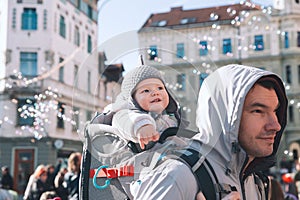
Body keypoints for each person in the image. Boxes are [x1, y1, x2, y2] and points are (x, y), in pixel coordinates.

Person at [130, 64, 288, 199]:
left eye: (275, 111)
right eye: (258, 111)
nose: (275, 125)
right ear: (225, 115)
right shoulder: (178, 176)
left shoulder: (255, 182)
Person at [110, 65, 186, 150]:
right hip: (135, 160)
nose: (155, 93)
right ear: (132, 99)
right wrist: (141, 126)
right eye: (146, 90)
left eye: (160, 88)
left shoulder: (168, 120)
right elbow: (125, 121)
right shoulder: (124, 114)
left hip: (164, 157)